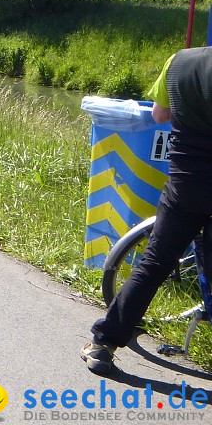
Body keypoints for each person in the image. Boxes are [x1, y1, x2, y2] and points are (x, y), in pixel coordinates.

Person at [83, 47, 212, 375]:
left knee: (154, 262)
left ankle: (103, 343)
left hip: (186, 186)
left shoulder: (180, 61)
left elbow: (159, 116)